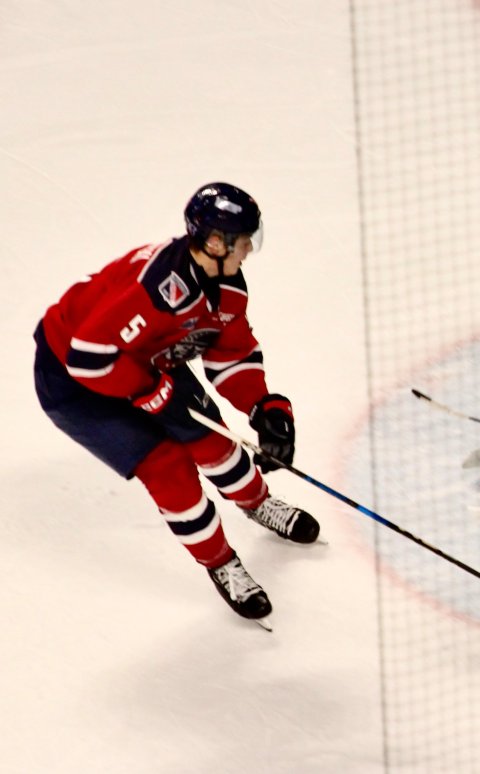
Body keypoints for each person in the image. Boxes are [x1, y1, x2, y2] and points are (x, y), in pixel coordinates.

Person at [33, 182, 320, 625]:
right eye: (243, 242)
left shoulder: (227, 287)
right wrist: (149, 392)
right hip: (76, 383)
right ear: (213, 242)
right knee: (168, 466)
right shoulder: (154, 289)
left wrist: (264, 405)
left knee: (214, 440)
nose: (248, 250)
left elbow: (231, 354)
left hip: (142, 358)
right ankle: (220, 561)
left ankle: (257, 502)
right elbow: (87, 358)